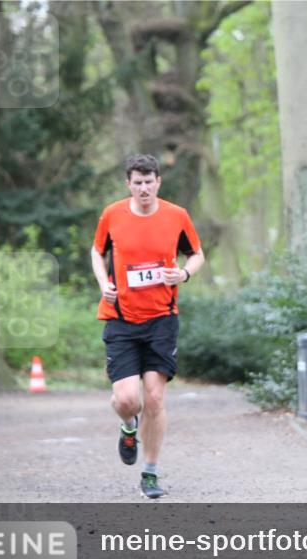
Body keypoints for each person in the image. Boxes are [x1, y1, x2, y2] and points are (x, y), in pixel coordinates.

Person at [90, 154, 204, 499]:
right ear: (129, 184)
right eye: (137, 183)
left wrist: (184, 273)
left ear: (158, 182)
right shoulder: (112, 215)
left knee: (154, 398)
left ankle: (150, 473)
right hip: (121, 318)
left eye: (148, 181)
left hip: (161, 320)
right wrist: (102, 283)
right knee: (128, 400)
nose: (143, 188)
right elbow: (97, 252)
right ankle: (128, 427)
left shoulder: (176, 216)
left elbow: (197, 254)